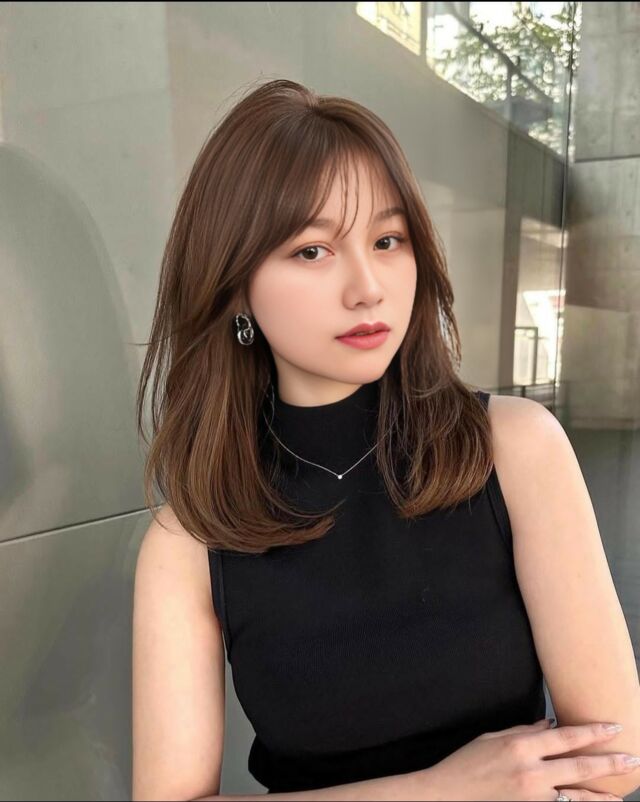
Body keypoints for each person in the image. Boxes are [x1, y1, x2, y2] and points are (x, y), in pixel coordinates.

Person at [131, 79, 640, 801]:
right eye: (313, 251)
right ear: (236, 285)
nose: (368, 287)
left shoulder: (513, 449)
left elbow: (615, 762)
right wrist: (444, 790)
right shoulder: (190, 541)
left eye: (387, 240)